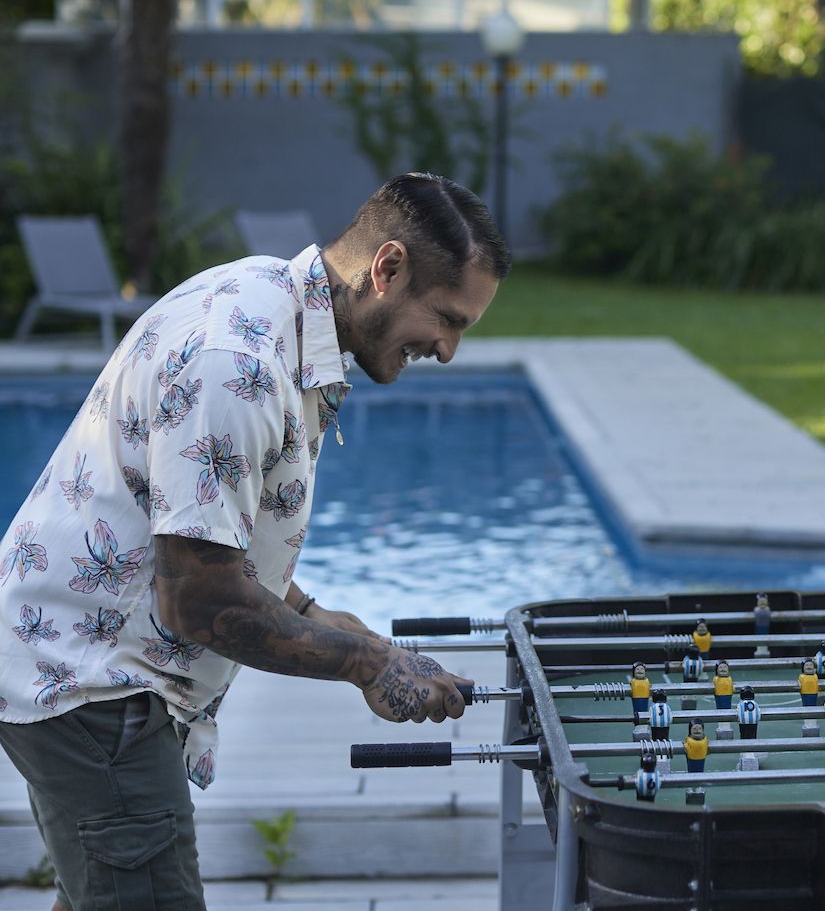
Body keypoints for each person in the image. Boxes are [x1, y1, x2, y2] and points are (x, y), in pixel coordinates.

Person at [0, 173, 511, 911]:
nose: (450, 349)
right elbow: (197, 600)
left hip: (88, 661)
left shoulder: (279, 308)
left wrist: (316, 615)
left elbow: (201, 527)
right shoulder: (234, 363)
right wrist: (369, 666)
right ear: (389, 268)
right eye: (448, 319)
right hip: (92, 681)